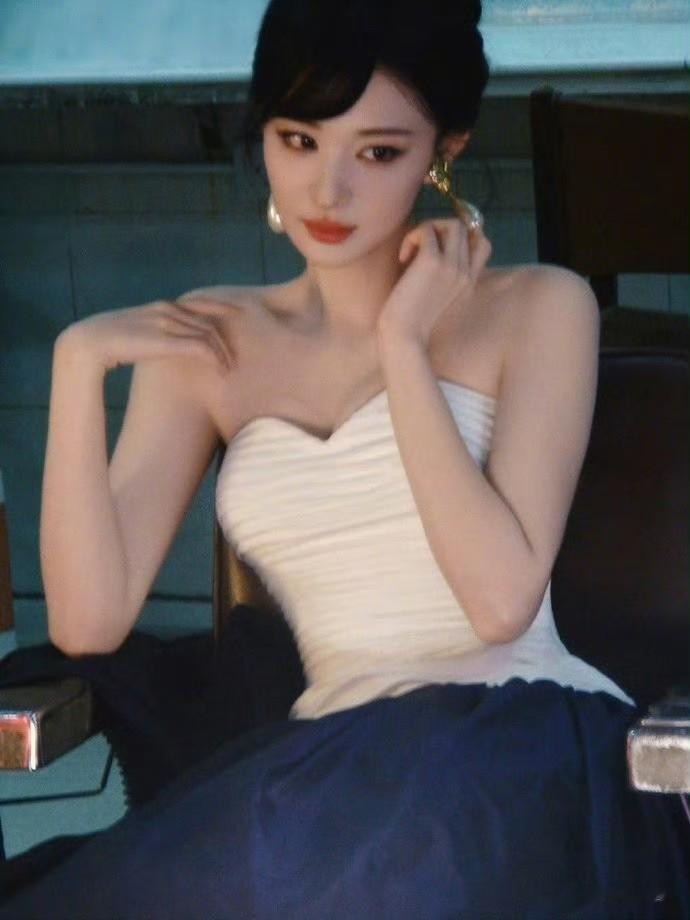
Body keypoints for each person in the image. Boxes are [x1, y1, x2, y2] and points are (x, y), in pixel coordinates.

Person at [1, 0, 687, 916]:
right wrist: (76, 365)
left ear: (444, 151)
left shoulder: (539, 306)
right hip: (326, 772)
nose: (328, 191)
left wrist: (404, 346)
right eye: (299, 140)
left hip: (517, 747)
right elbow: (89, 622)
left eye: (378, 152)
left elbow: (499, 603)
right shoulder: (206, 340)